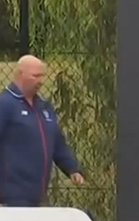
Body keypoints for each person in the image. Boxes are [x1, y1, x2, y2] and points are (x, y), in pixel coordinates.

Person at [0, 55, 84, 207]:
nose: (41, 81)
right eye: (36, 76)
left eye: (42, 76)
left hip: (37, 195)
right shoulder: (5, 104)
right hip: (11, 197)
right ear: (20, 74)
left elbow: (57, 143)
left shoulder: (44, 107)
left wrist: (72, 169)